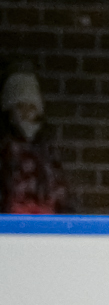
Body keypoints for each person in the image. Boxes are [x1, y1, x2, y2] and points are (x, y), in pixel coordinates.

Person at [3, 70, 71, 214]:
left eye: (31, 107)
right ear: (10, 111)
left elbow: (59, 185)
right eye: (20, 107)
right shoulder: (6, 147)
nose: (26, 113)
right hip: (13, 219)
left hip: (45, 217)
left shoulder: (46, 147)